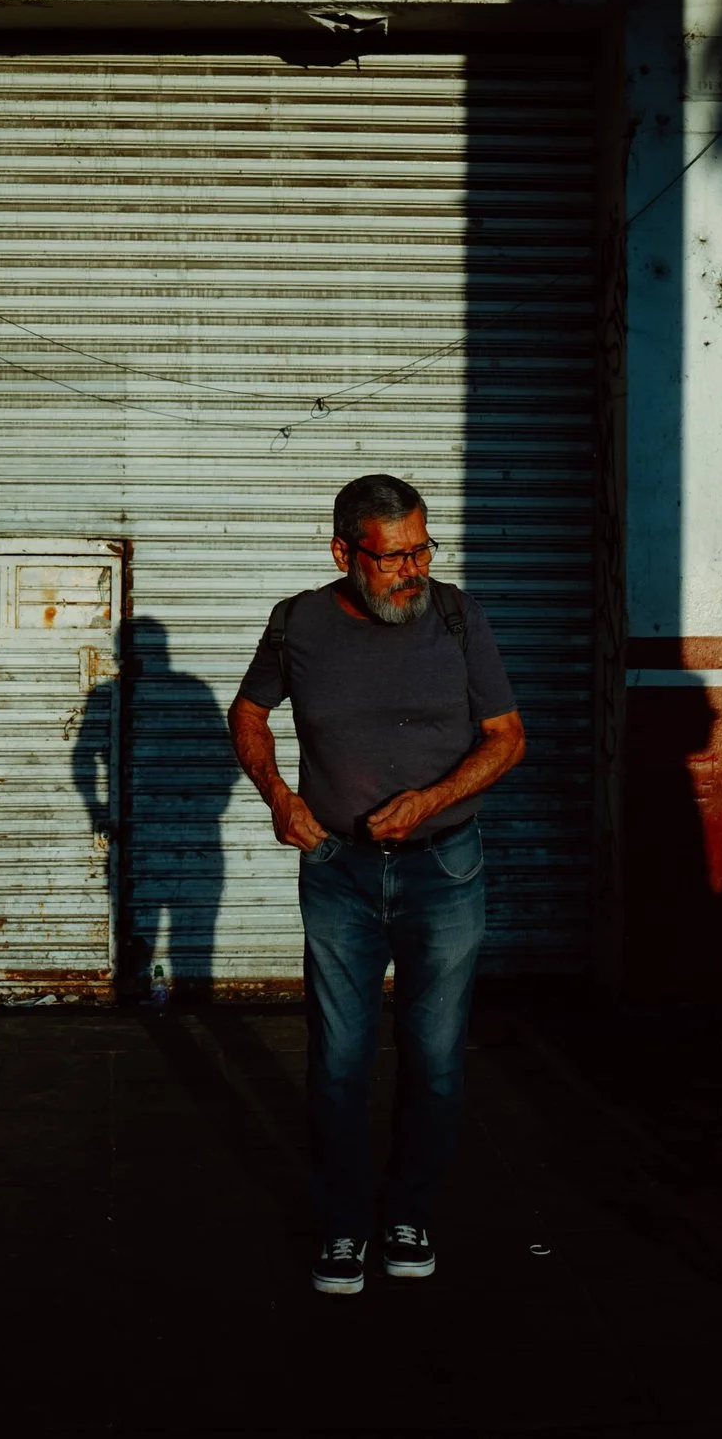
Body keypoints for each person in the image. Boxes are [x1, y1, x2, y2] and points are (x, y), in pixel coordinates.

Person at [227, 474, 525, 1296]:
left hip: (446, 869)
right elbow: (248, 712)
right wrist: (279, 795)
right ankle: (341, 1223)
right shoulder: (300, 622)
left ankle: (409, 1212)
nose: (414, 571)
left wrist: (432, 798)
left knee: (433, 1060)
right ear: (343, 552)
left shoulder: (460, 616)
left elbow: (508, 738)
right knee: (339, 1061)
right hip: (337, 874)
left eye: (424, 549)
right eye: (395, 557)